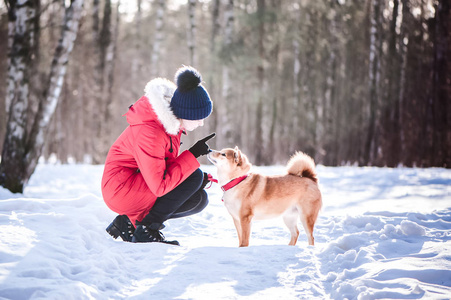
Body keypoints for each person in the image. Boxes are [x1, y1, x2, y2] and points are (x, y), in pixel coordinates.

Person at [101, 66, 215, 245]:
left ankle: (128, 224)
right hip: (121, 189)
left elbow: (163, 167)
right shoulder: (151, 132)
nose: (201, 124)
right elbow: (159, 186)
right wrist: (192, 156)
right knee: (194, 176)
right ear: (186, 113)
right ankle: (146, 230)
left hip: (137, 183)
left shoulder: (170, 126)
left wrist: (191, 178)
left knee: (198, 199)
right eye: (199, 118)